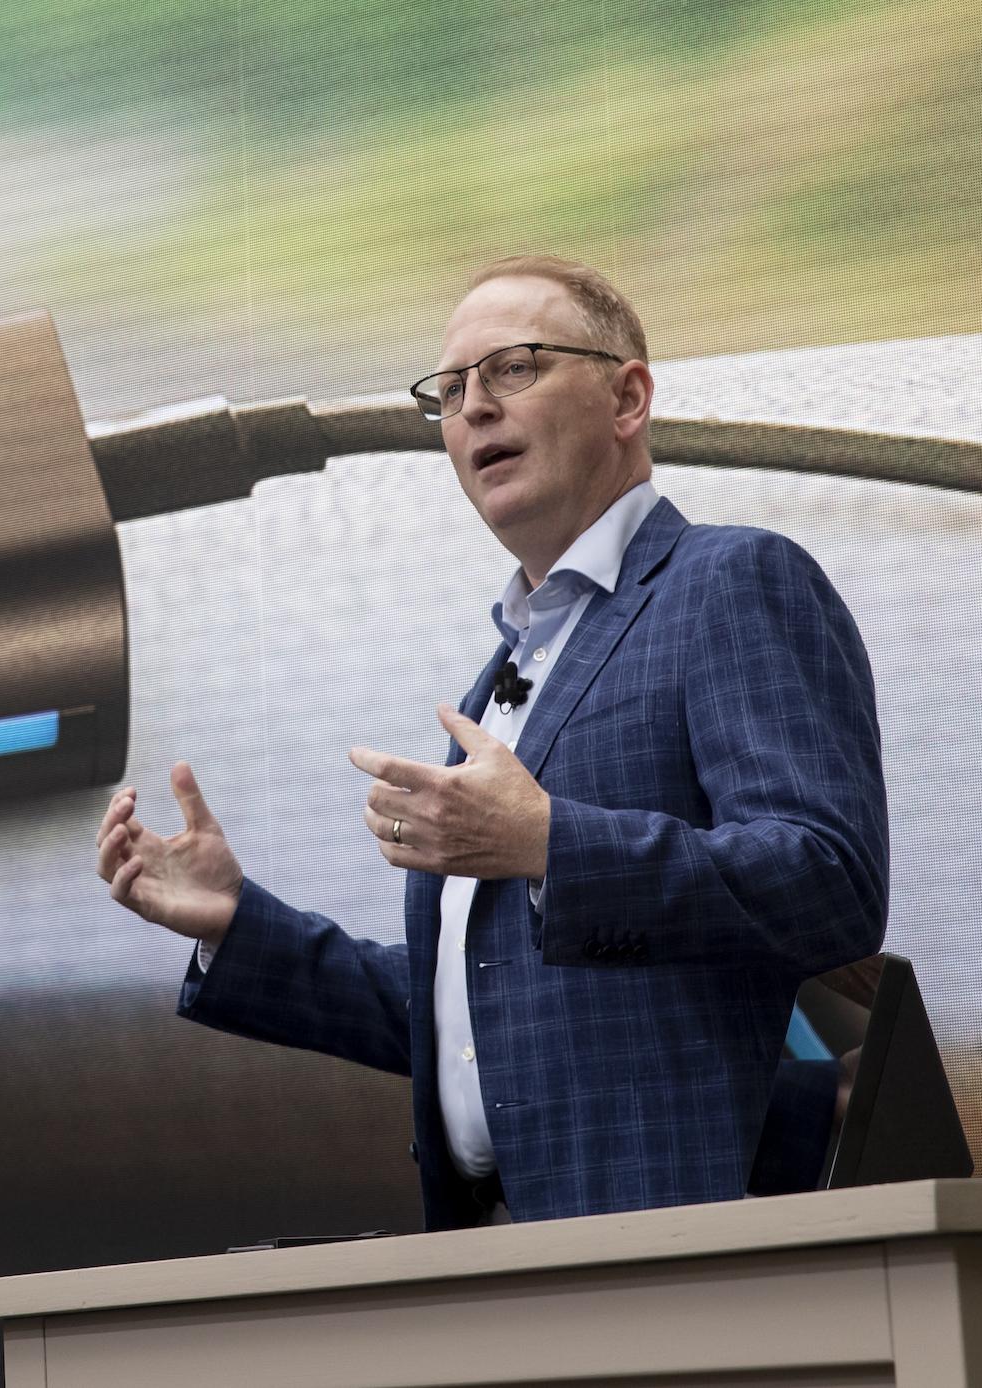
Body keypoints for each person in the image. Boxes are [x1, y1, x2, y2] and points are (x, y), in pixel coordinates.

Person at [94, 255, 889, 1230]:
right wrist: (236, 922)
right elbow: (477, 1016)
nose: (471, 407)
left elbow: (829, 883)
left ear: (625, 396)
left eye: (511, 367)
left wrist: (552, 843)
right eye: (448, 388)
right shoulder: (501, 678)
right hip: (501, 1262)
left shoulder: (728, 581)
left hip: (686, 1240)